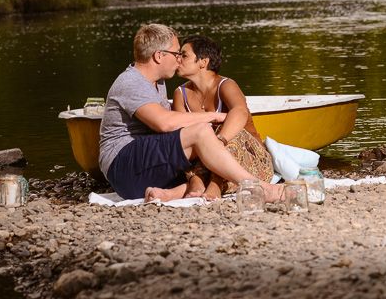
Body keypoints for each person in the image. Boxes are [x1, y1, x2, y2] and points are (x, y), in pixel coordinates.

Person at [98, 23, 283, 203]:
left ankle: (176, 192)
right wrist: (214, 116)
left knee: (210, 154)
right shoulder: (131, 82)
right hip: (123, 165)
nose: (178, 59)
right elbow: (164, 123)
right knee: (201, 132)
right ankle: (259, 188)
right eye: (176, 53)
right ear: (159, 56)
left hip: (146, 166)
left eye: (182, 54)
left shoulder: (158, 82)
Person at [172, 35, 274, 199]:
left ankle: (216, 184)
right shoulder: (180, 93)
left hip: (249, 157)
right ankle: (196, 180)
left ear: (203, 62)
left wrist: (219, 142)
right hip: (204, 161)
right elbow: (181, 131)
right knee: (184, 138)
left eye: (184, 55)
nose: (178, 59)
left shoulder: (226, 85)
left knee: (230, 130)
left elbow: (240, 112)